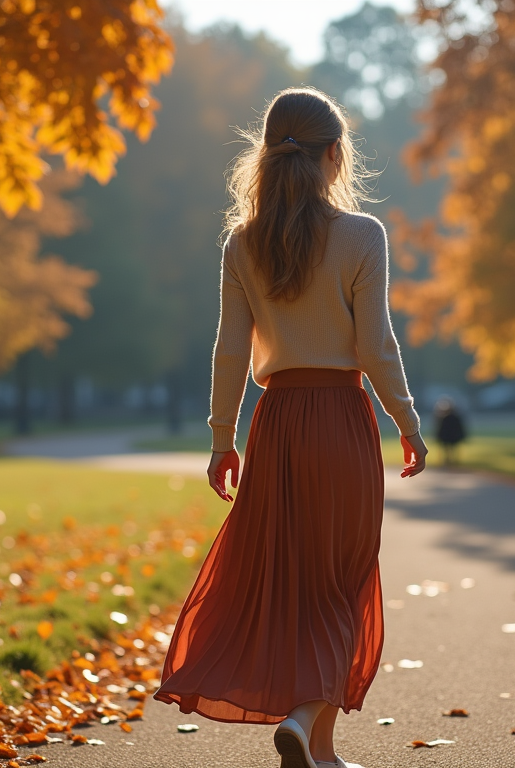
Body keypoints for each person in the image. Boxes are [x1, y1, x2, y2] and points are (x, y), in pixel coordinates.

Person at [153, 87, 428, 768]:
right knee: (341, 579)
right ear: (336, 156)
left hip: (276, 427)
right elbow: (376, 349)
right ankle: (305, 720)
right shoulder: (364, 237)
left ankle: (321, 751)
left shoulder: (243, 246)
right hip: (341, 421)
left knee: (301, 583)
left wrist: (223, 439)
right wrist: (409, 423)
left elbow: (228, 350)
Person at [433, 397, 467, 466]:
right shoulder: (445, 417)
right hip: (448, 436)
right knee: (449, 449)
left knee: (450, 448)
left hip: (449, 436)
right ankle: (449, 460)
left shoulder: (444, 417)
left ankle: (449, 460)